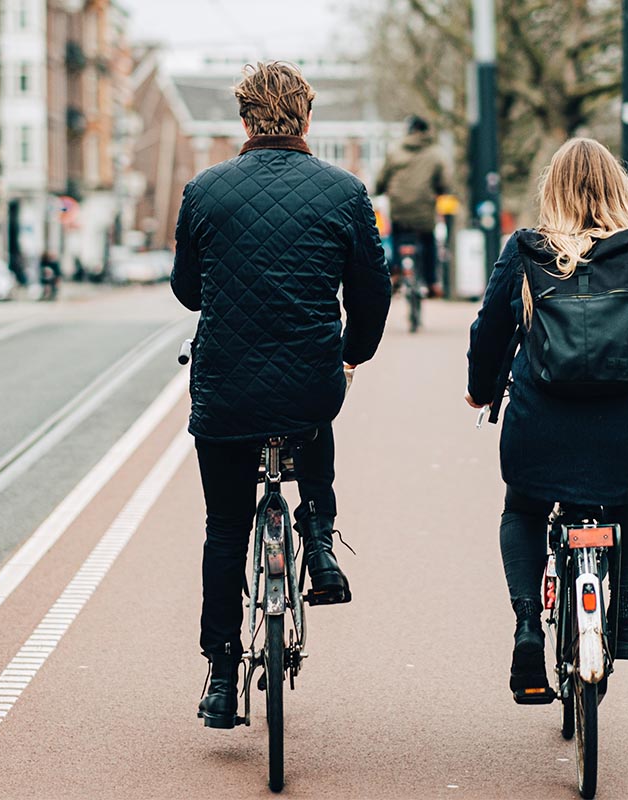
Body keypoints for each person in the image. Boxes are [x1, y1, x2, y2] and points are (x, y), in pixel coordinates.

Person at [170, 61, 391, 728]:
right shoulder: (345, 192)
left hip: (226, 387)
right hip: (309, 377)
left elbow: (187, 290)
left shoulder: (204, 191)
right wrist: (351, 355)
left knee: (224, 529)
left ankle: (219, 671)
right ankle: (318, 538)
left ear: (243, 121)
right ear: (307, 119)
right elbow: (372, 295)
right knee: (314, 413)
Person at [466, 138, 628, 699]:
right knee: (626, 493)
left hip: (544, 427)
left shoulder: (526, 251)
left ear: (553, 192)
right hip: (624, 427)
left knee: (523, 507)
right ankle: (624, 612)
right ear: (619, 189)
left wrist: (480, 391)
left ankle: (524, 630)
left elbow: (490, 334)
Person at [375, 115, 452, 298]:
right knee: (428, 240)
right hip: (424, 211)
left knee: (395, 235)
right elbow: (444, 181)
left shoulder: (394, 150)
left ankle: (394, 272)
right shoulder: (435, 153)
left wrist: (379, 189)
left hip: (399, 209)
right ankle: (432, 282)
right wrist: (440, 191)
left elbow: (382, 178)